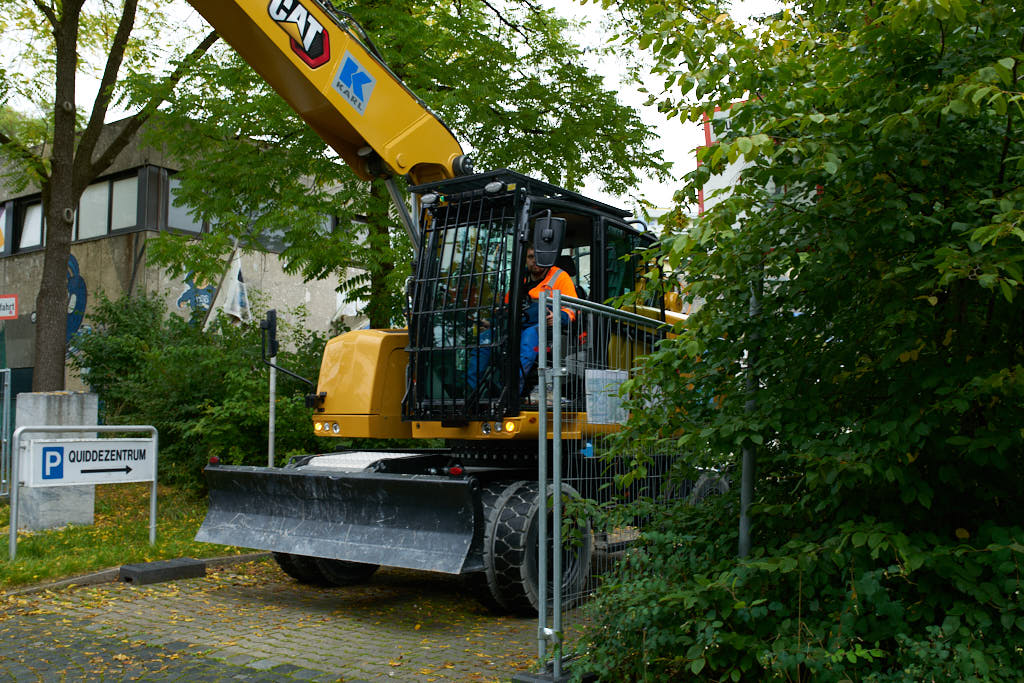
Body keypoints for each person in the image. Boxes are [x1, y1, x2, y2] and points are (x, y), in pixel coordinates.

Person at [518, 245, 578, 394]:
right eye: (531, 257)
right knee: (485, 340)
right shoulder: (519, 279)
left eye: (539, 257)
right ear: (525, 259)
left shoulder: (560, 276)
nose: (535, 261)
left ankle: (513, 392)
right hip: (518, 324)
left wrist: (558, 317)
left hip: (543, 326)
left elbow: (572, 309)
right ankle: (475, 395)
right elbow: (507, 306)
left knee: (529, 337)